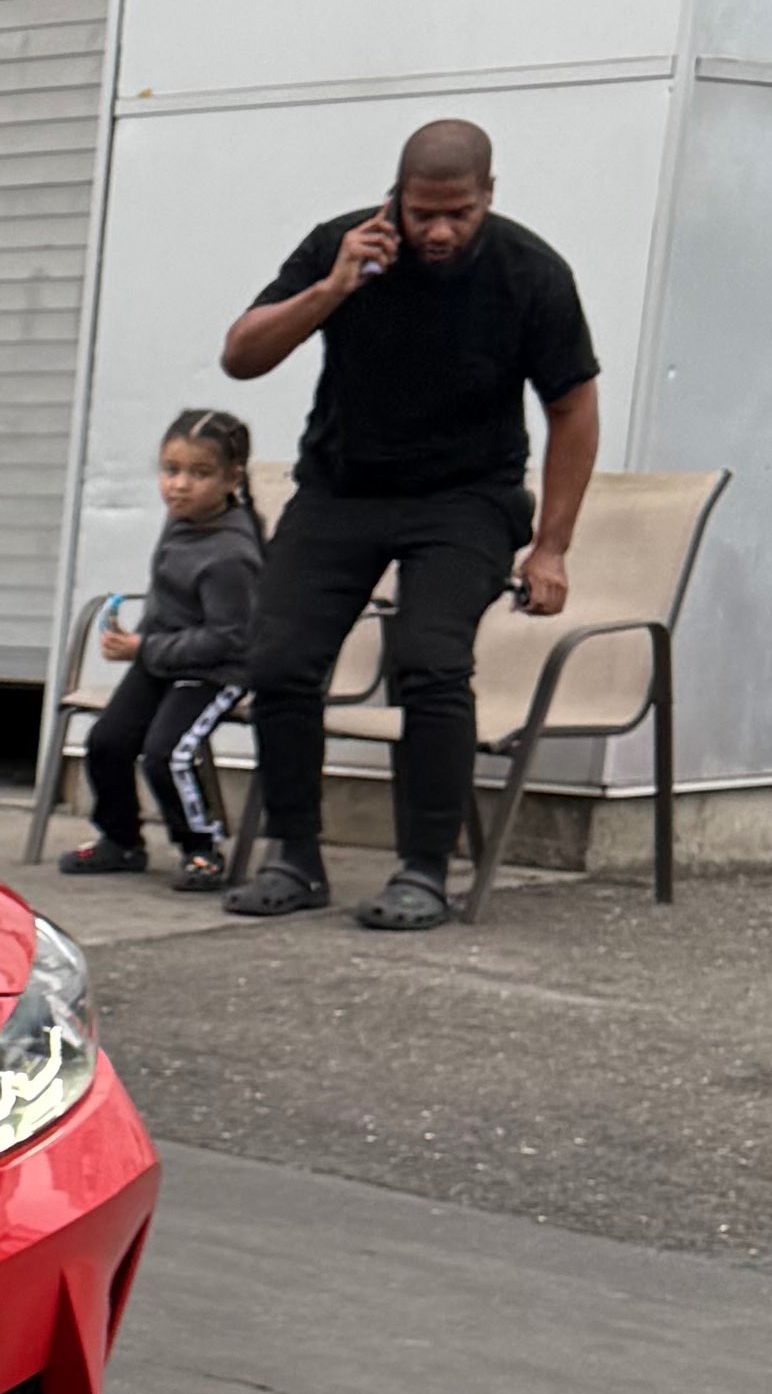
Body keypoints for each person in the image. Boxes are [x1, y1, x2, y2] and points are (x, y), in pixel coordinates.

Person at [215, 116, 599, 932]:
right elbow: (241, 357)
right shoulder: (341, 248)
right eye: (422, 211)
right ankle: (293, 857)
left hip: (466, 498)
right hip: (342, 490)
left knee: (428, 661)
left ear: (487, 198)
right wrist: (332, 290)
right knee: (279, 659)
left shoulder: (530, 273)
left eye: (458, 212)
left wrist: (552, 546)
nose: (438, 229)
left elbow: (573, 405)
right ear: (395, 195)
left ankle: (424, 871)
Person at [67, 410, 259, 886]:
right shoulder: (182, 522)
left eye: (199, 474)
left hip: (217, 671)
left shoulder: (232, 554)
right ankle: (122, 841)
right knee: (107, 742)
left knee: (166, 754)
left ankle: (201, 848)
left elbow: (229, 637)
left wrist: (143, 647)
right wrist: (141, 642)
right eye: (170, 470)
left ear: (232, 477)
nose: (178, 486)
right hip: (162, 659)